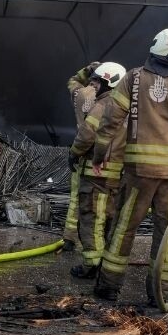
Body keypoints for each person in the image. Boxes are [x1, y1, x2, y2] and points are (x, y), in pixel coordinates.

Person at [89, 27, 168, 304]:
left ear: (154, 47)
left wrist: (99, 154)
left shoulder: (133, 78)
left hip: (138, 172)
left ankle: (108, 286)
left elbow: (110, 120)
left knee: (124, 227)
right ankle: (161, 292)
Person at [67, 62, 127, 279]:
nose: (94, 87)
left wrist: (74, 153)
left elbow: (87, 135)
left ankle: (92, 265)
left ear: (106, 84)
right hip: (117, 176)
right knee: (109, 219)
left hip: (96, 173)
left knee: (91, 218)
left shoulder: (103, 105)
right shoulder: (129, 107)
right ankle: (104, 263)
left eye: (97, 83)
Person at [61, 62, 100, 251]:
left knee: (76, 197)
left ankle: (70, 238)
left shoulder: (80, 94)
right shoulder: (108, 99)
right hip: (99, 156)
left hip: (79, 153)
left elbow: (73, 81)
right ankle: (94, 242)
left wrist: (87, 69)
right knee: (97, 202)